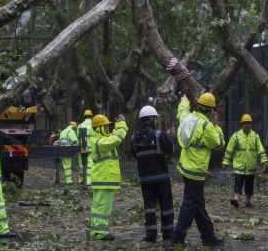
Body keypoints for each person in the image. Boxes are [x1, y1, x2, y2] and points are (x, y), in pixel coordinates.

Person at [170, 93, 226, 248]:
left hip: (185, 167)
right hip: (196, 171)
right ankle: (177, 238)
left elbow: (181, 111)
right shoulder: (206, 126)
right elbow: (218, 143)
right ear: (211, 110)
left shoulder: (188, 118)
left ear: (198, 105)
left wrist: (184, 101)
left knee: (197, 204)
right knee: (190, 204)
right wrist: (216, 125)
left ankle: (208, 237)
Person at [131, 105, 176, 243]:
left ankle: (151, 235)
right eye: (156, 118)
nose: (157, 121)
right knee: (166, 207)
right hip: (162, 177)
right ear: (151, 118)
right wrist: (170, 138)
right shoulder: (158, 134)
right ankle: (167, 234)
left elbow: (135, 154)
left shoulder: (134, 138)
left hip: (145, 178)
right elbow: (171, 149)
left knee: (149, 207)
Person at [89, 113, 128, 241]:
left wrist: (116, 127)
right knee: (103, 207)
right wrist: (122, 125)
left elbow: (112, 137)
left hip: (102, 179)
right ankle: (100, 233)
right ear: (98, 128)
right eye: (104, 126)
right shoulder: (100, 141)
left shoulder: (99, 140)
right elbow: (116, 139)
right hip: (104, 179)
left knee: (98, 206)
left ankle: (95, 231)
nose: (107, 129)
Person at [222, 114, 268, 208]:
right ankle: (235, 199)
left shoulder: (255, 136)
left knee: (249, 184)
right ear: (242, 124)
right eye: (245, 123)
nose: (247, 125)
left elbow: (260, 149)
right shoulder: (236, 136)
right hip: (239, 165)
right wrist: (225, 162)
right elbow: (229, 150)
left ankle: (248, 201)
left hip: (251, 166)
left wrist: (264, 161)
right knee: (238, 183)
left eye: (249, 123)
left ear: (251, 124)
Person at [78, 109, 94, 186]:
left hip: (83, 146)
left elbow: (78, 137)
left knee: (82, 163)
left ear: (84, 116)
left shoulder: (80, 125)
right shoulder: (93, 124)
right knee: (90, 162)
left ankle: (81, 179)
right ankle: (89, 181)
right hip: (91, 146)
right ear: (91, 116)